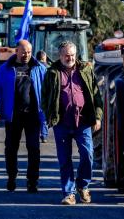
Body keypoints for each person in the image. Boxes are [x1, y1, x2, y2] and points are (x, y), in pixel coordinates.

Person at [42, 41, 102, 205]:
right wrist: (49, 116)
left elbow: (96, 95)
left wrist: (97, 117)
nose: (70, 58)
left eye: (72, 55)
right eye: (66, 55)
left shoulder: (86, 70)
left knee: (87, 155)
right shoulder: (52, 73)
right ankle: (69, 193)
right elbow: (45, 97)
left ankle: (83, 186)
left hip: (83, 122)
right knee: (64, 159)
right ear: (60, 56)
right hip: (62, 123)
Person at [0, 39, 47, 193]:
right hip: (13, 115)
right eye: (23, 52)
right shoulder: (5, 69)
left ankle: (32, 180)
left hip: (33, 115)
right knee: (11, 148)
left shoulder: (39, 68)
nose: (26, 55)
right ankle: (12, 176)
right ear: (17, 51)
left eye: (29, 52)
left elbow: (48, 91)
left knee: (33, 148)